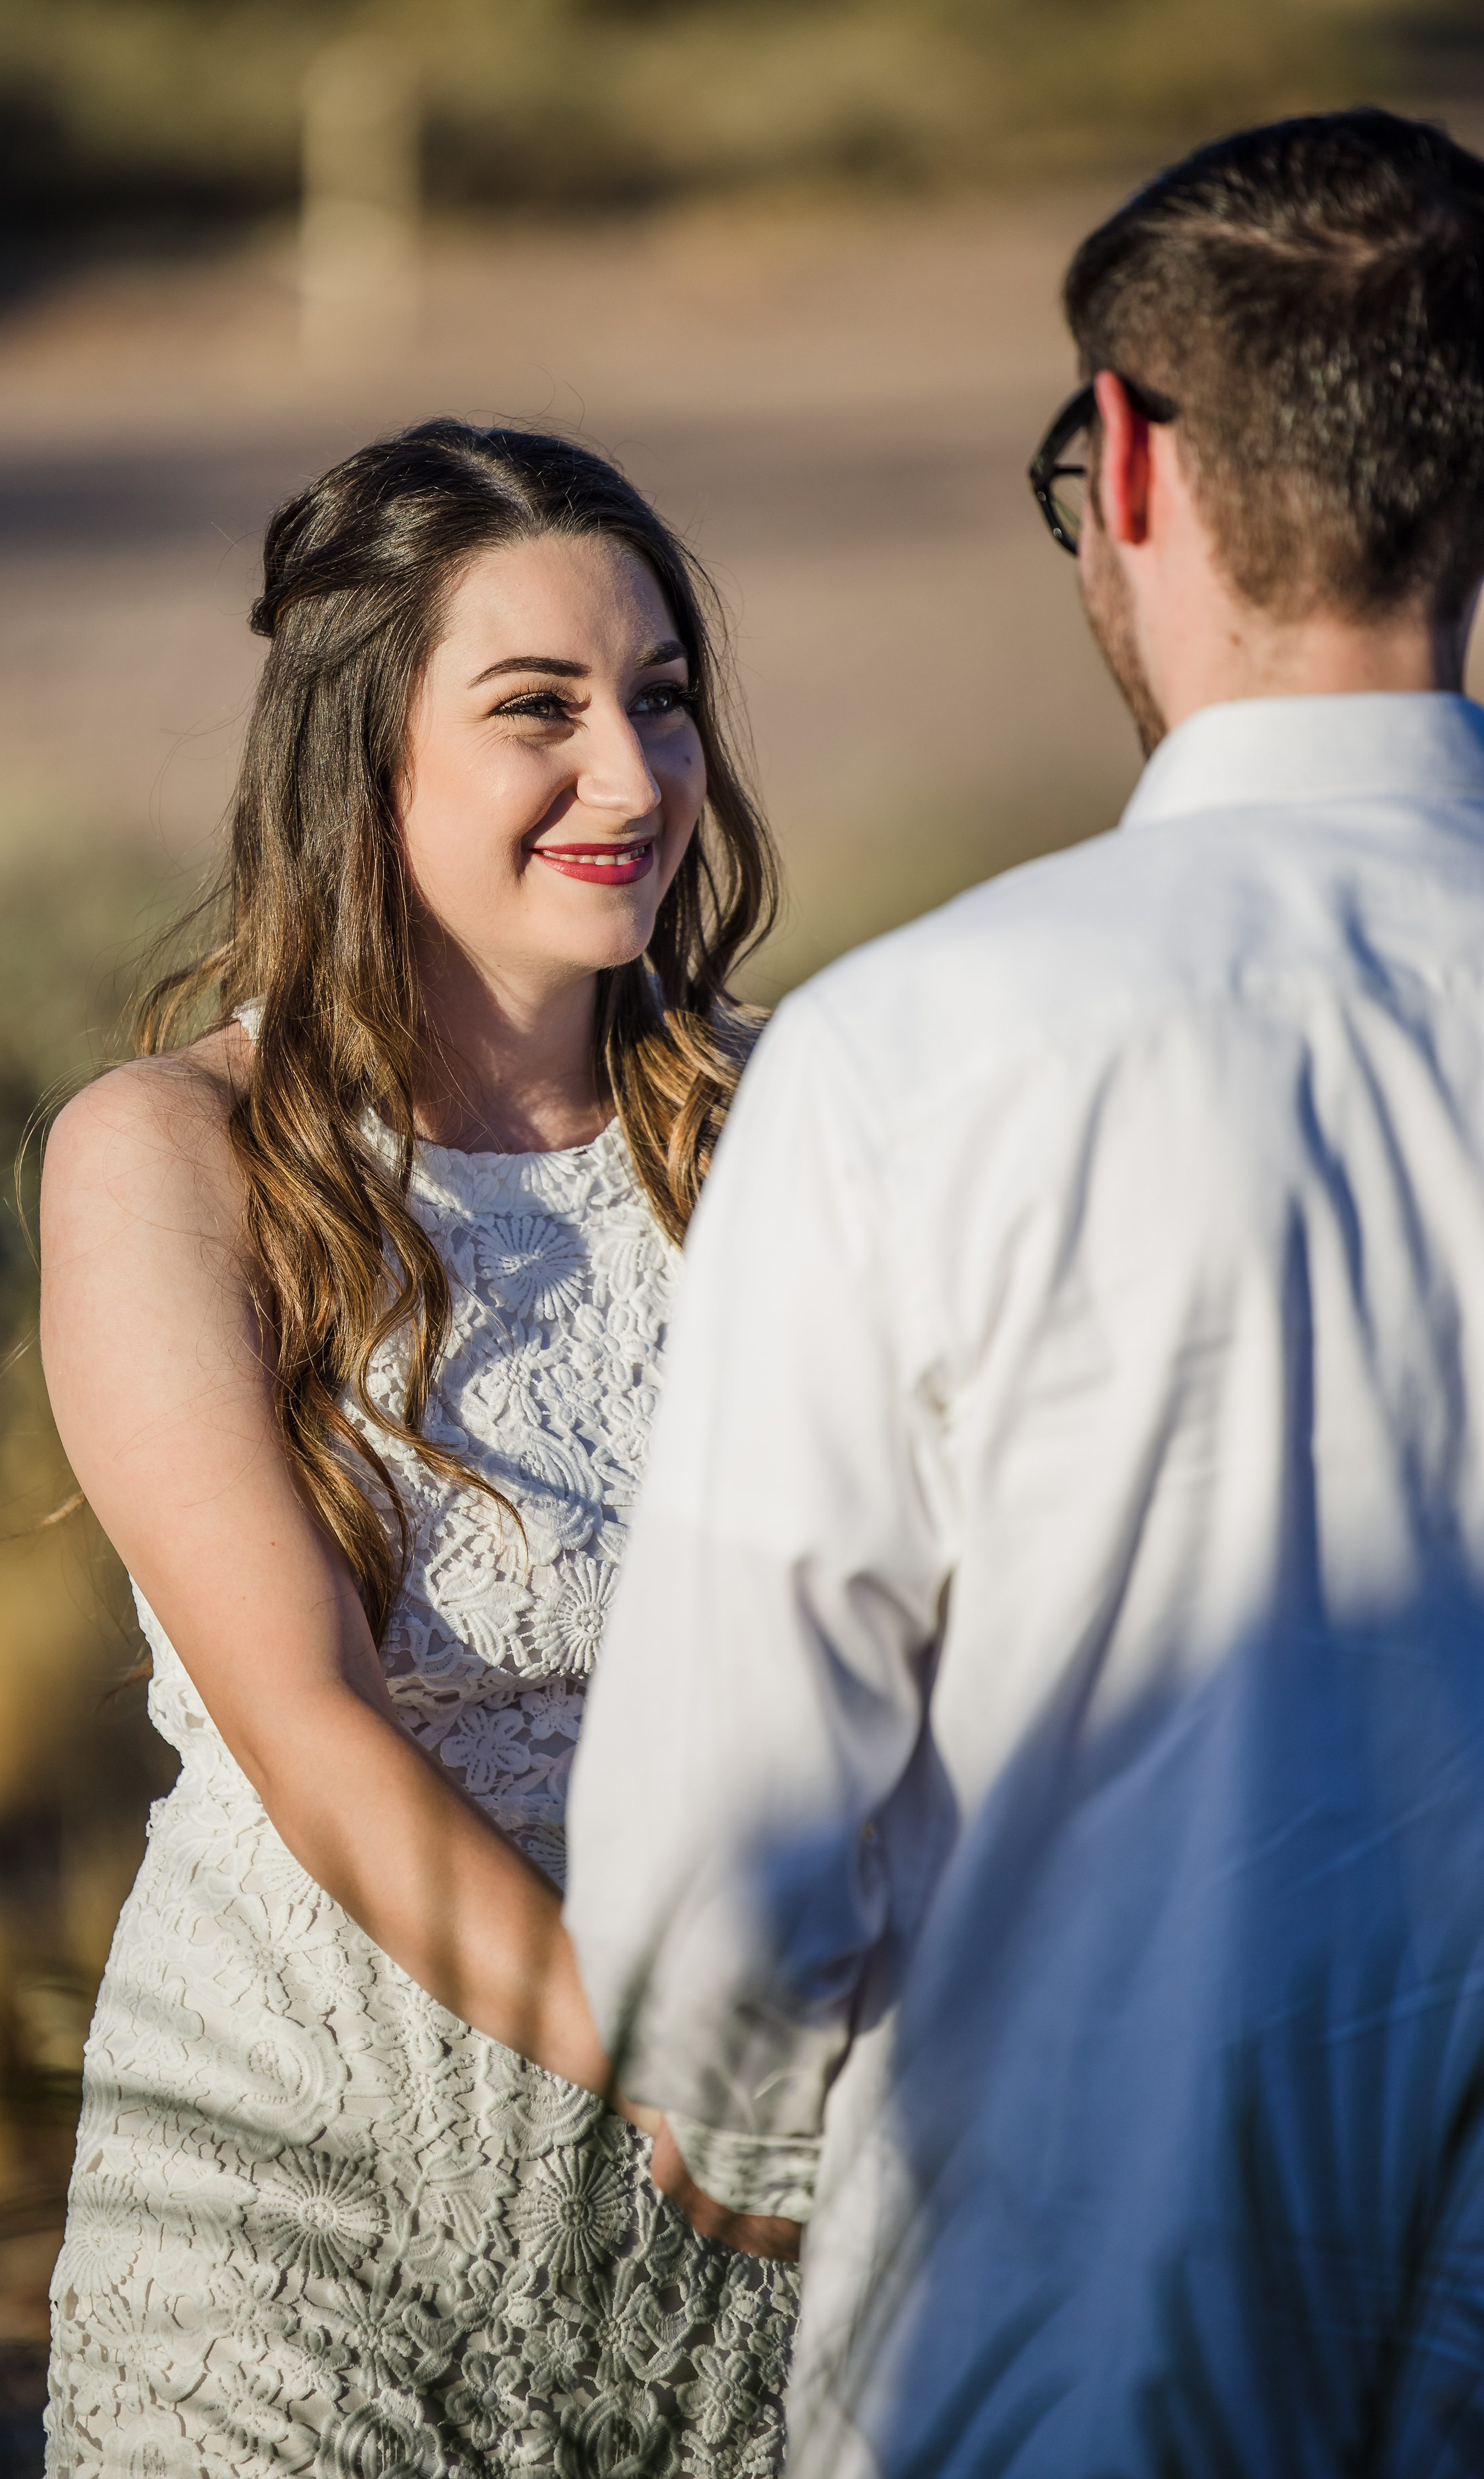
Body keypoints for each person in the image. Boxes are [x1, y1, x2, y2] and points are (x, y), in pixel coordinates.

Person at [566, 109, 1484, 2475]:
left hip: (1075, 2350)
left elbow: (715, 1880)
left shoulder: (916, 1058)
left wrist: (756, 2130)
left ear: (1137, 468)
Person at [37, 421, 799, 2478]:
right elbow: (307, 1717)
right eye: (538, 711)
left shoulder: (803, 1126)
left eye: (660, 700)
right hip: (302, 2171)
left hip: (748, 2203)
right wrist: (666, 2074)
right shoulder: (171, 1161)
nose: (632, 779)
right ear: (356, 760)